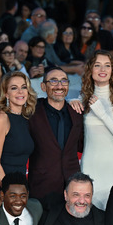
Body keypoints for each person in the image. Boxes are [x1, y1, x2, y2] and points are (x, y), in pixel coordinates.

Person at [81, 51, 113, 210]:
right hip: (90, 167)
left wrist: (102, 114)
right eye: (97, 65)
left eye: (107, 65)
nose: (102, 69)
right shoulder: (81, 99)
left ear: (112, 70)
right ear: (90, 70)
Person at [28, 67, 84, 199]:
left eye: (64, 81)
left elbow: (84, 144)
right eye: (53, 81)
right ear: (43, 86)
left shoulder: (77, 113)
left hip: (72, 188)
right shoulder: (32, 113)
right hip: (42, 188)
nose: (59, 86)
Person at [0, 71, 37, 195]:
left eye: (23, 87)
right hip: (1, 188)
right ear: (6, 94)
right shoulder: (1, 118)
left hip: (20, 187)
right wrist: (9, 191)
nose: (20, 91)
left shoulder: (26, 118)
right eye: (14, 88)